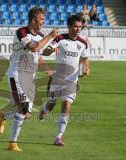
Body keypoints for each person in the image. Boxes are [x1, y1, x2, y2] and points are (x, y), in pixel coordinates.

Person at [0, 7, 59, 151]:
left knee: (27, 114)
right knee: (24, 107)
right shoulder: (22, 32)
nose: (43, 22)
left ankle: (4, 116)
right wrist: (50, 36)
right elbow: (34, 48)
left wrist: (45, 64)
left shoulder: (40, 35)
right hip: (17, 74)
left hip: (31, 78)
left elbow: (39, 54)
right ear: (33, 20)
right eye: (42, 19)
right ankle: (12, 143)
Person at [39, 15, 90, 146]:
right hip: (56, 78)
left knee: (66, 105)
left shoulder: (83, 42)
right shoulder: (60, 38)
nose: (78, 29)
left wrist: (86, 67)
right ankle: (44, 109)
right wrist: (50, 49)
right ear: (69, 27)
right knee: (51, 104)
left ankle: (58, 137)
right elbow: (45, 52)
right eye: (75, 26)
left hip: (72, 80)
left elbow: (85, 58)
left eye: (80, 26)